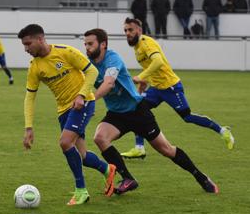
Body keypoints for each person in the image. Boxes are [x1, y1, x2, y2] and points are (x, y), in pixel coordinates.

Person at [84, 26, 219, 195]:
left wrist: (91, 100)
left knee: (166, 149)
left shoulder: (112, 59)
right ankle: (128, 178)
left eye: (90, 44)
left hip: (137, 111)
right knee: (100, 137)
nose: (87, 48)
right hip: (116, 114)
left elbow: (109, 82)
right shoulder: (89, 65)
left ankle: (201, 177)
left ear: (103, 44)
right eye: (85, 44)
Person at [18, 24, 117, 206]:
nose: (26, 49)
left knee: (64, 142)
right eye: (24, 45)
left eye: (28, 44)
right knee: (83, 156)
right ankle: (107, 169)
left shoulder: (65, 52)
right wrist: (29, 127)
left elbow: (92, 71)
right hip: (63, 110)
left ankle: (81, 191)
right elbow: (29, 97)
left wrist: (81, 95)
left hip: (83, 103)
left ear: (40, 39)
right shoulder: (34, 67)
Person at [120, 18, 235, 159]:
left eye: (130, 30)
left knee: (187, 116)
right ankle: (139, 148)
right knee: (138, 109)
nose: (127, 33)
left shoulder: (146, 43)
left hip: (171, 87)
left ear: (139, 30)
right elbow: (152, 68)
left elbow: (158, 61)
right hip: (156, 89)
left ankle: (223, 131)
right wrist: (143, 82)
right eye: (125, 30)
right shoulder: (137, 48)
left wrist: (141, 76)